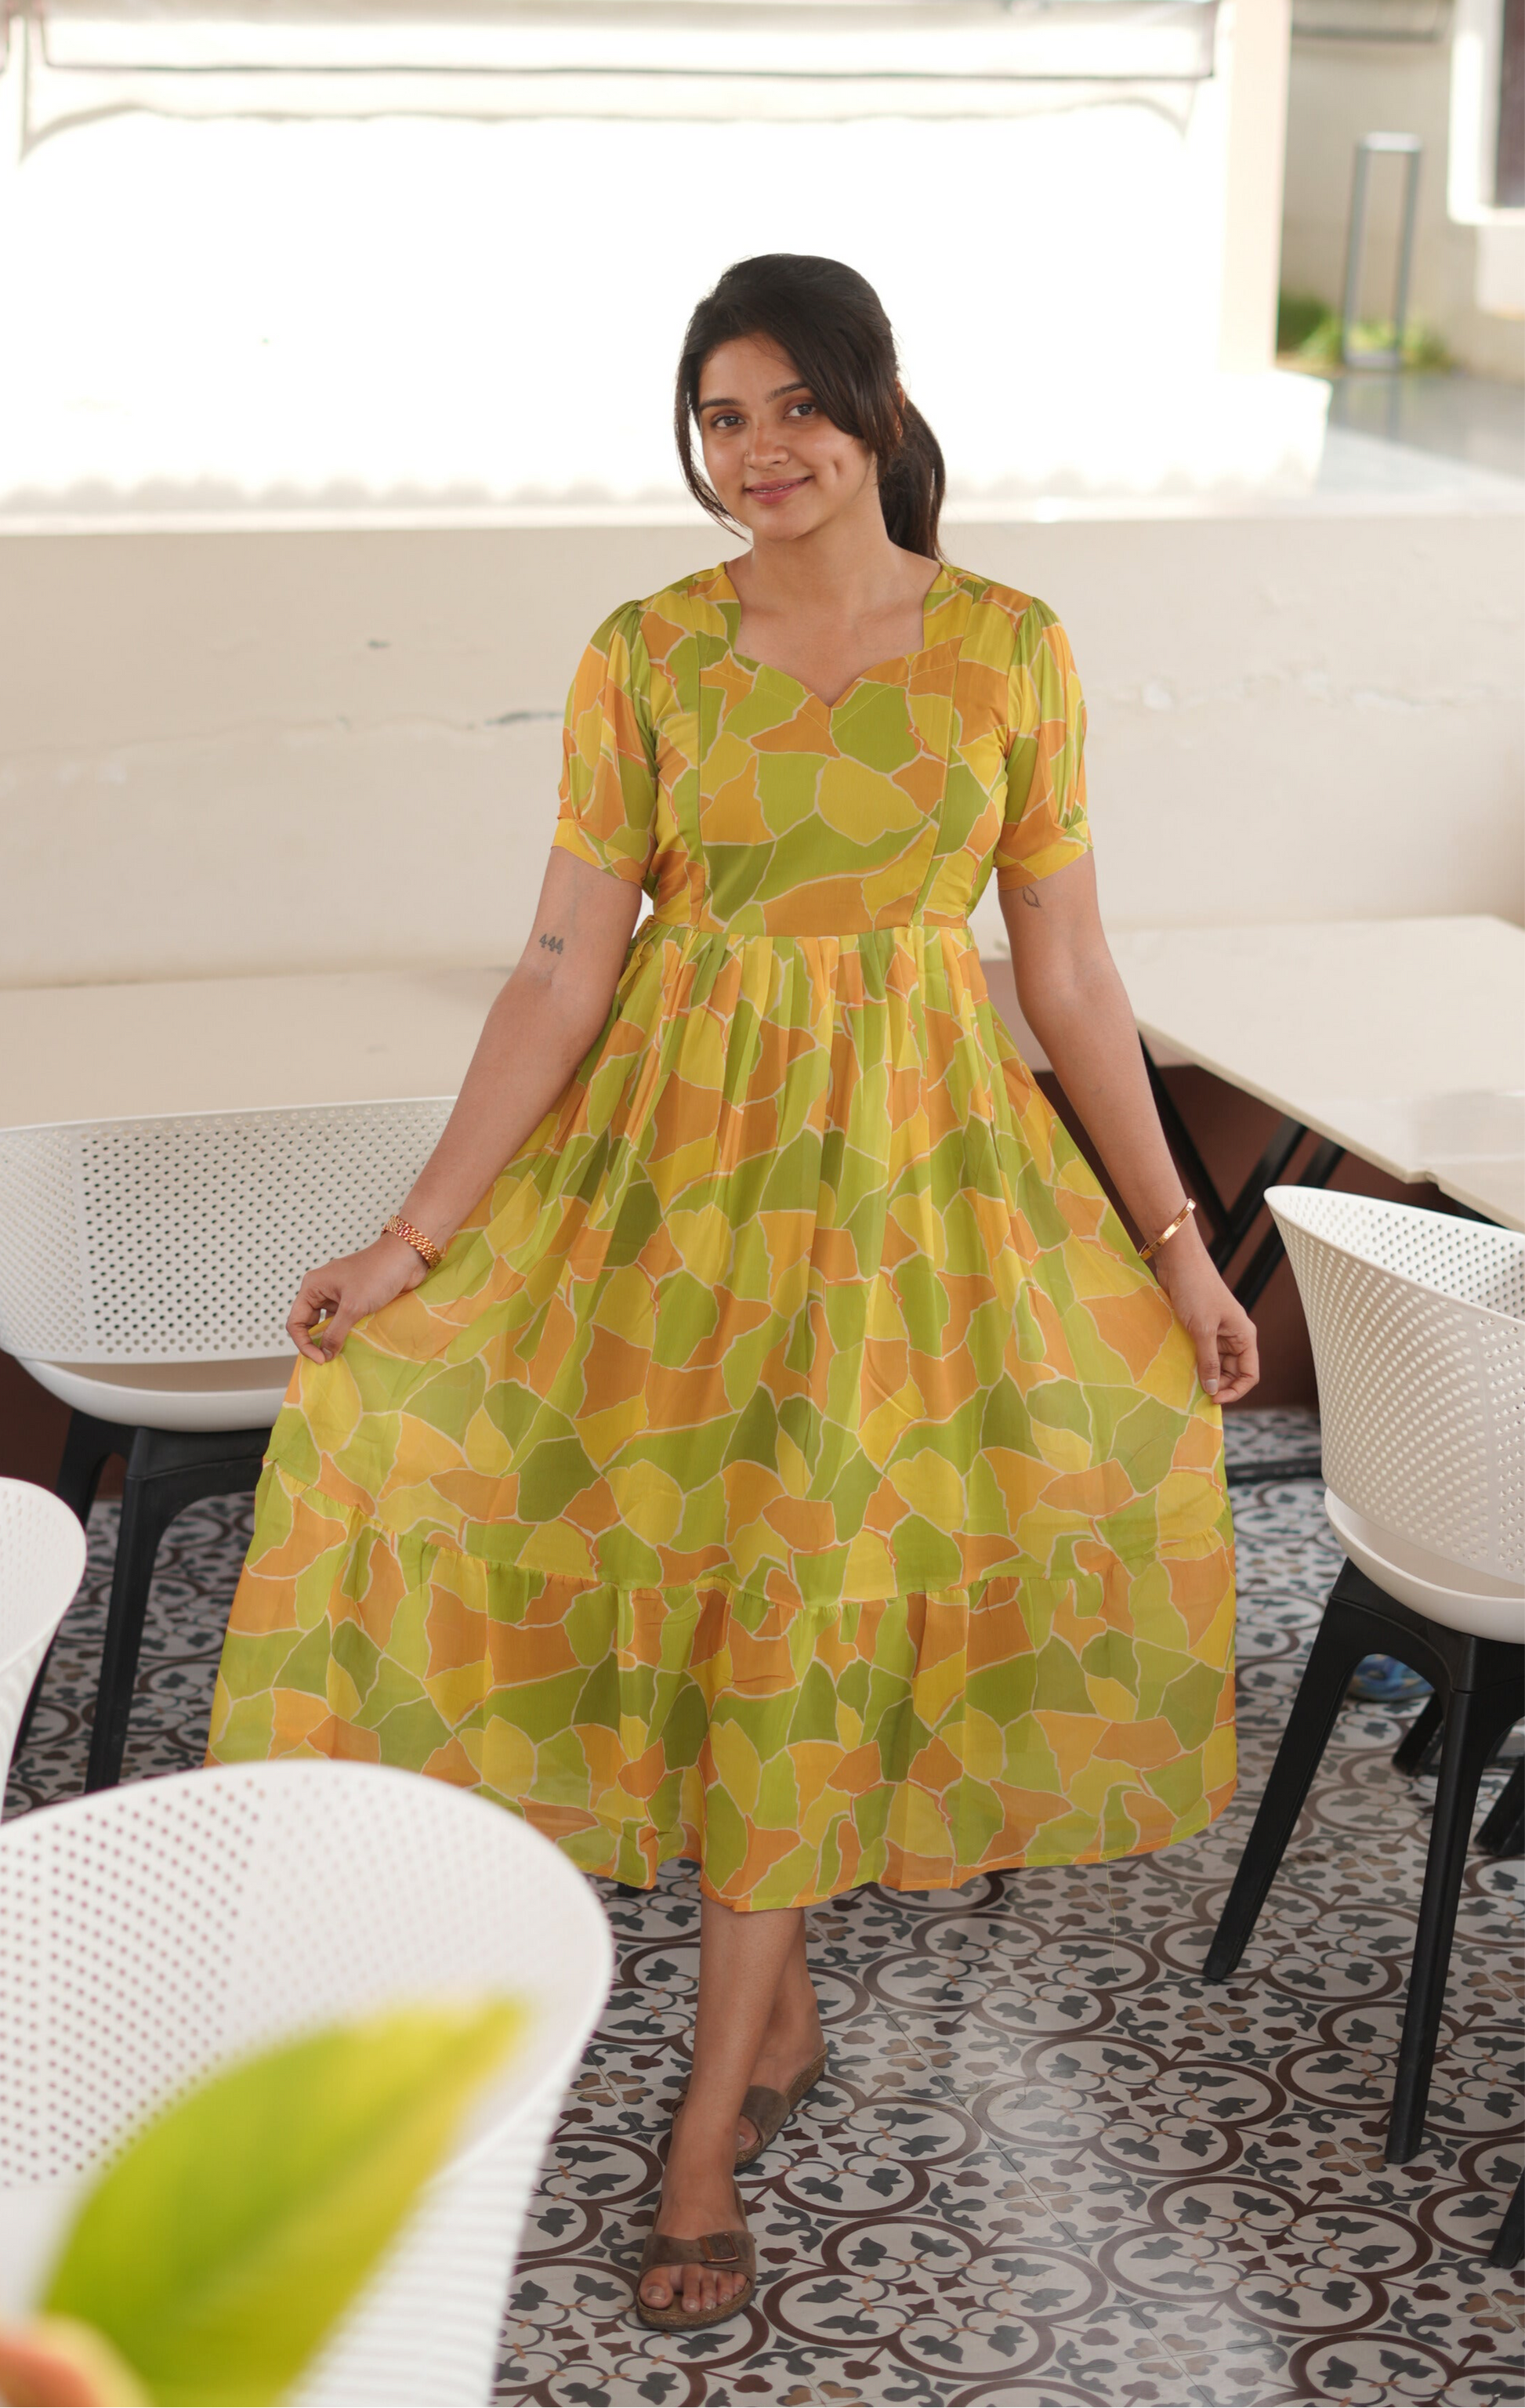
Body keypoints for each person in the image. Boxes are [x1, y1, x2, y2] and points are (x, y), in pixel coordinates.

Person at [208, 252, 1258, 2330]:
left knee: (804, 1599)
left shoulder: (1011, 654)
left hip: (914, 1210)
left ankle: (705, 2123)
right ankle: (764, 2040)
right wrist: (415, 1242)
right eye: (717, 418)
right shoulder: (649, 656)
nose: (756, 454)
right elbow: (560, 968)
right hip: (671, 1199)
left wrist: (1168, 1241)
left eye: (790, 406)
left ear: (874, 405)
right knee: (705, 1597)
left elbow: (1067, 973)